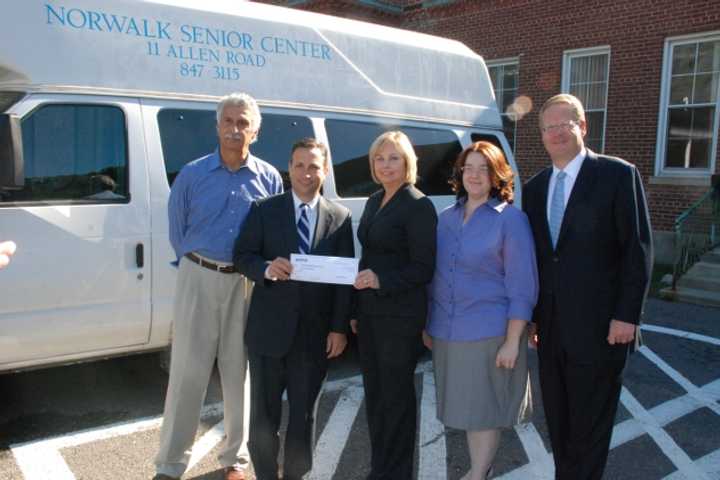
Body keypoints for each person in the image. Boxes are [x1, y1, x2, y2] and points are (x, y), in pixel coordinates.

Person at [523, 93, 652, 480]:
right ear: (541, 135)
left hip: (602, 330)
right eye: (549, 126)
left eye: (565, 124)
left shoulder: (617, 174)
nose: (556, 132)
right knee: (560, 421)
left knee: (591, 425)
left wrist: (627, 316)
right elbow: (537, 260)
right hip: (551, 330)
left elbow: (637, 249)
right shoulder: (534, 188)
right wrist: (531, 319)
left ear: (583, 127)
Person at [155, 92, 283, 480]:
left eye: (243, 122)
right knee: (186, 375)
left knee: (237, 373)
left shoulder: (269, 177)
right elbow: (178, 232)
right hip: (197, 276)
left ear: (255, 131)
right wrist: (199, 267)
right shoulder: (192, 174)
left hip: (244, 284)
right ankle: (170, 464)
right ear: (217, 126)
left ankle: (233, 461)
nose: (234, 129)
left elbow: (271, 236)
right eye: (228, 121)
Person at [233, 138, 354, 480]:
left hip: (314, 337)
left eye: (314, 166)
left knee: (304, 418)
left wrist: (339, 328)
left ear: (325, 170)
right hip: (268, 332)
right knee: (262, 419)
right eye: (299, 165)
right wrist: (267, 268)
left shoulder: (340, 218)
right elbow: (242, 256)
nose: (306, 172)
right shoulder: (264, 209)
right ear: (289, 168)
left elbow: (344, 280)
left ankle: (296, 475)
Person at [425, 141, 538, 480]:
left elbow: (522, 285)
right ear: (460, 173)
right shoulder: (446, 219)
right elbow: (435, 276)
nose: (474, 175)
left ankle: (477, 474)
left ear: (496, 174)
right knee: (465, 409)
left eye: (483, 168)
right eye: (468, 168)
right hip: (447, 331)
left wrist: (512, 341)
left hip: (491, 333)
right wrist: (428, 324)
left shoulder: (512, 220)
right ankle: (479, 470)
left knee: (484, 411)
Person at [351, 130, 437, 480]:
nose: (386, 165)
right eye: (379, 158)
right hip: (370, 314)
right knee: (375, 396)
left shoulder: (418, 204)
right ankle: (380, 469)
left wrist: (381, 280)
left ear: (408, 163)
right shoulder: (374, 201)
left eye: (393, 158)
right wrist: (356, 310)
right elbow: (367, 257)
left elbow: (423, 268)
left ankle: (398, 474)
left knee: (396, 399)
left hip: (400, 317)